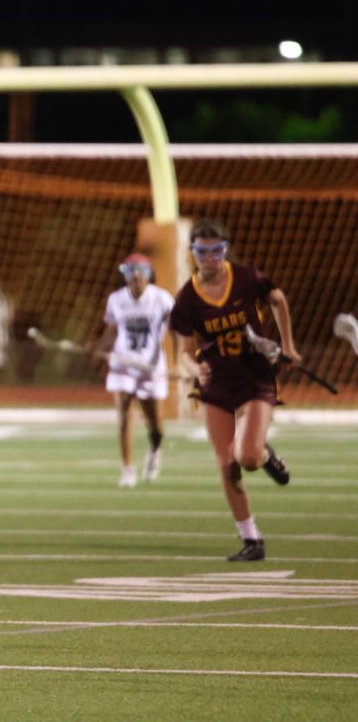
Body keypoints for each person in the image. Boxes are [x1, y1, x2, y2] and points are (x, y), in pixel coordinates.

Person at [169, 219, 301, 562]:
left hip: (254, 377)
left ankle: (265, 456)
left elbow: (278, 298)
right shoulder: (186, 299)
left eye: (217, 251)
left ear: (224, 251)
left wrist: (287, 345)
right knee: (227, 461)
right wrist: (195, 368)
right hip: (217, 385)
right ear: (192, 253)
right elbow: (183, 352)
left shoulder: (245, 279)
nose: (210, 258)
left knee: (246, 456)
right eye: (203, 251)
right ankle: (252, 540)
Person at [90, 253, 175, 488]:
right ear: (125, 275)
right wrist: (98, 348)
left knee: (156, 425)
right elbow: (112, 331)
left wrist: (179, 361)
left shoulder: (162, 299)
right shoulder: (116, 299)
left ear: (149, 274)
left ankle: (155, 450)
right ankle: (128, 468)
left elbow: (177, 330)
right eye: (131, 270)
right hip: (123, 364)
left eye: (141, 270)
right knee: (124, 416)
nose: (136, 275)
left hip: (151, 366)